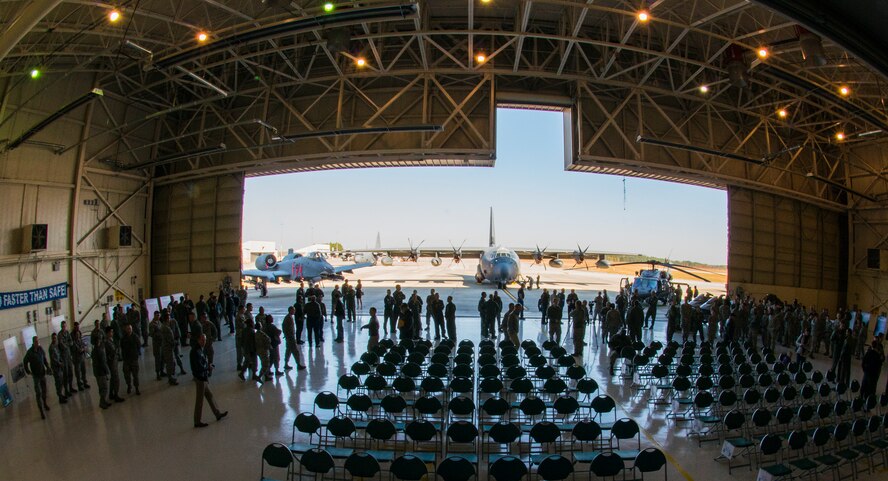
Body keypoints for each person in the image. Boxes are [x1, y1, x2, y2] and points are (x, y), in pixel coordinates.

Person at [190, 334, 228, 428]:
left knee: (209, 396)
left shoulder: (199, 349)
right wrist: (208, 367)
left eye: (205, 340)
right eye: (202, 340)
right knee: (199, 401)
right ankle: (197, 421)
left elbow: (202, 362)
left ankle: (217, 413)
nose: (204, 342)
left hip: (202, 378)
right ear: (198, 340)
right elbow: (199, 366)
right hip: (200, 379)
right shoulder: (195, 351)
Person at [23, 336, 51, 419]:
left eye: (38, 341)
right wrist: (28, 371)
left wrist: (48, 367)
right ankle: (41, 411)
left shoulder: (40, 349)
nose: (37, 342)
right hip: (36, 376)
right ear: (33, 342)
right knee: (38, 393)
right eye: (35, 341)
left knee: (44, 391)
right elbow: (25, 362)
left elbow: (45, 360)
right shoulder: (30, 352)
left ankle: (45, 403)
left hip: (42, 374)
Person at [120, 324, 142, 395]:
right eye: (127, 329)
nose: (129, 330)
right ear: (126, 330)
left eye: (130, 328)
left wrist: (136, 354)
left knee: (135, 375)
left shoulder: (135, 337)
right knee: (127, 375)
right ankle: (129, 385)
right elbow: (122, 347)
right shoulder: (123, 338)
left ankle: (137, 388)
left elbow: (139, 345)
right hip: (126, 359)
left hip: (133, 359)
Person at [104, 327, 125, 403]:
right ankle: (116, 394)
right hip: (111, 362)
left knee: (113, 378)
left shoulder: (110, 340)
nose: (112, 333)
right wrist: (116, 351)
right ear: (107, 333)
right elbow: (111, 352)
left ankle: (111, 393)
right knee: (116, 379)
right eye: (111, 332)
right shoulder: (106, 342)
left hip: (114, 361)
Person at [91, 335, 112, 409]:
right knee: (104, 387)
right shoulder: (100, 350)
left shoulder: (93, 351)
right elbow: (103, 362)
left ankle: (103, 401)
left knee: (101, 387)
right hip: (101, 372)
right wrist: (107, 372)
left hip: (97, 372)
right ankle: (102, 402)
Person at [282, 306, 306, 371]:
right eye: (293, 310)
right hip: (290, 338)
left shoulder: (289, 317)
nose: (294, 311)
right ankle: (298, 364)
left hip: (289, 337)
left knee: (288, 351)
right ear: (290, 310)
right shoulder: (288, 318)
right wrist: (289, 335)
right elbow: (285, 327)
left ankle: (286, 364)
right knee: (295, 352)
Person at [48, 333, 69, 405]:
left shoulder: (56, 346)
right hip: (56, 367)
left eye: (55, 338)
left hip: (59, 366)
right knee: (58, 382)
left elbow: (59, 355)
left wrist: (61, 362)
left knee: (61, 381)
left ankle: (61, 394)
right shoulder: (51, 347)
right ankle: (60, 397)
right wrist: (59, 363)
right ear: (52, 338)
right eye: (53, 338)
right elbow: (53, 359)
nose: (55, 339)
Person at [57, 321, 77, 396]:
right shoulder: (60, 335)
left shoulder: (67, 333)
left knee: (70, 372)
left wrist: (67, 344)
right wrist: (67, 344)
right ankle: (66, 390)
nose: (64, 328)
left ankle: (71, 387)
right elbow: (62, 346)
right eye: (62, 326)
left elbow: (71, 342)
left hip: (68, 355)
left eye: (65, 326)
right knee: (65, 373)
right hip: (63, 356)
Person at [160, 314, 179, 386]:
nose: (170, 318)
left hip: (168, 347)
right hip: (168, 348)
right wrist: (176, 342)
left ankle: (171, 377)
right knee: (170, 364)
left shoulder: (165, 326)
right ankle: (171, 379)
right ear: (167, 319)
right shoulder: (166, 328)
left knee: (171, 363)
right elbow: (170, 339)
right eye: (169, 317)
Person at [70, 321, 89, 390]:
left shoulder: (79, 333)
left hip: (81, 356)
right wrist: (80, 349)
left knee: (83, 370)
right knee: (78, 372)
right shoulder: (72, 335)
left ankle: (84, 382)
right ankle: (79, 384)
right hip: (76, 356)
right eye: (76, 327)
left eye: (78, 326)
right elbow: (73, 346)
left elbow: (82, 342)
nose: (78, 328)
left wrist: (83, 348)